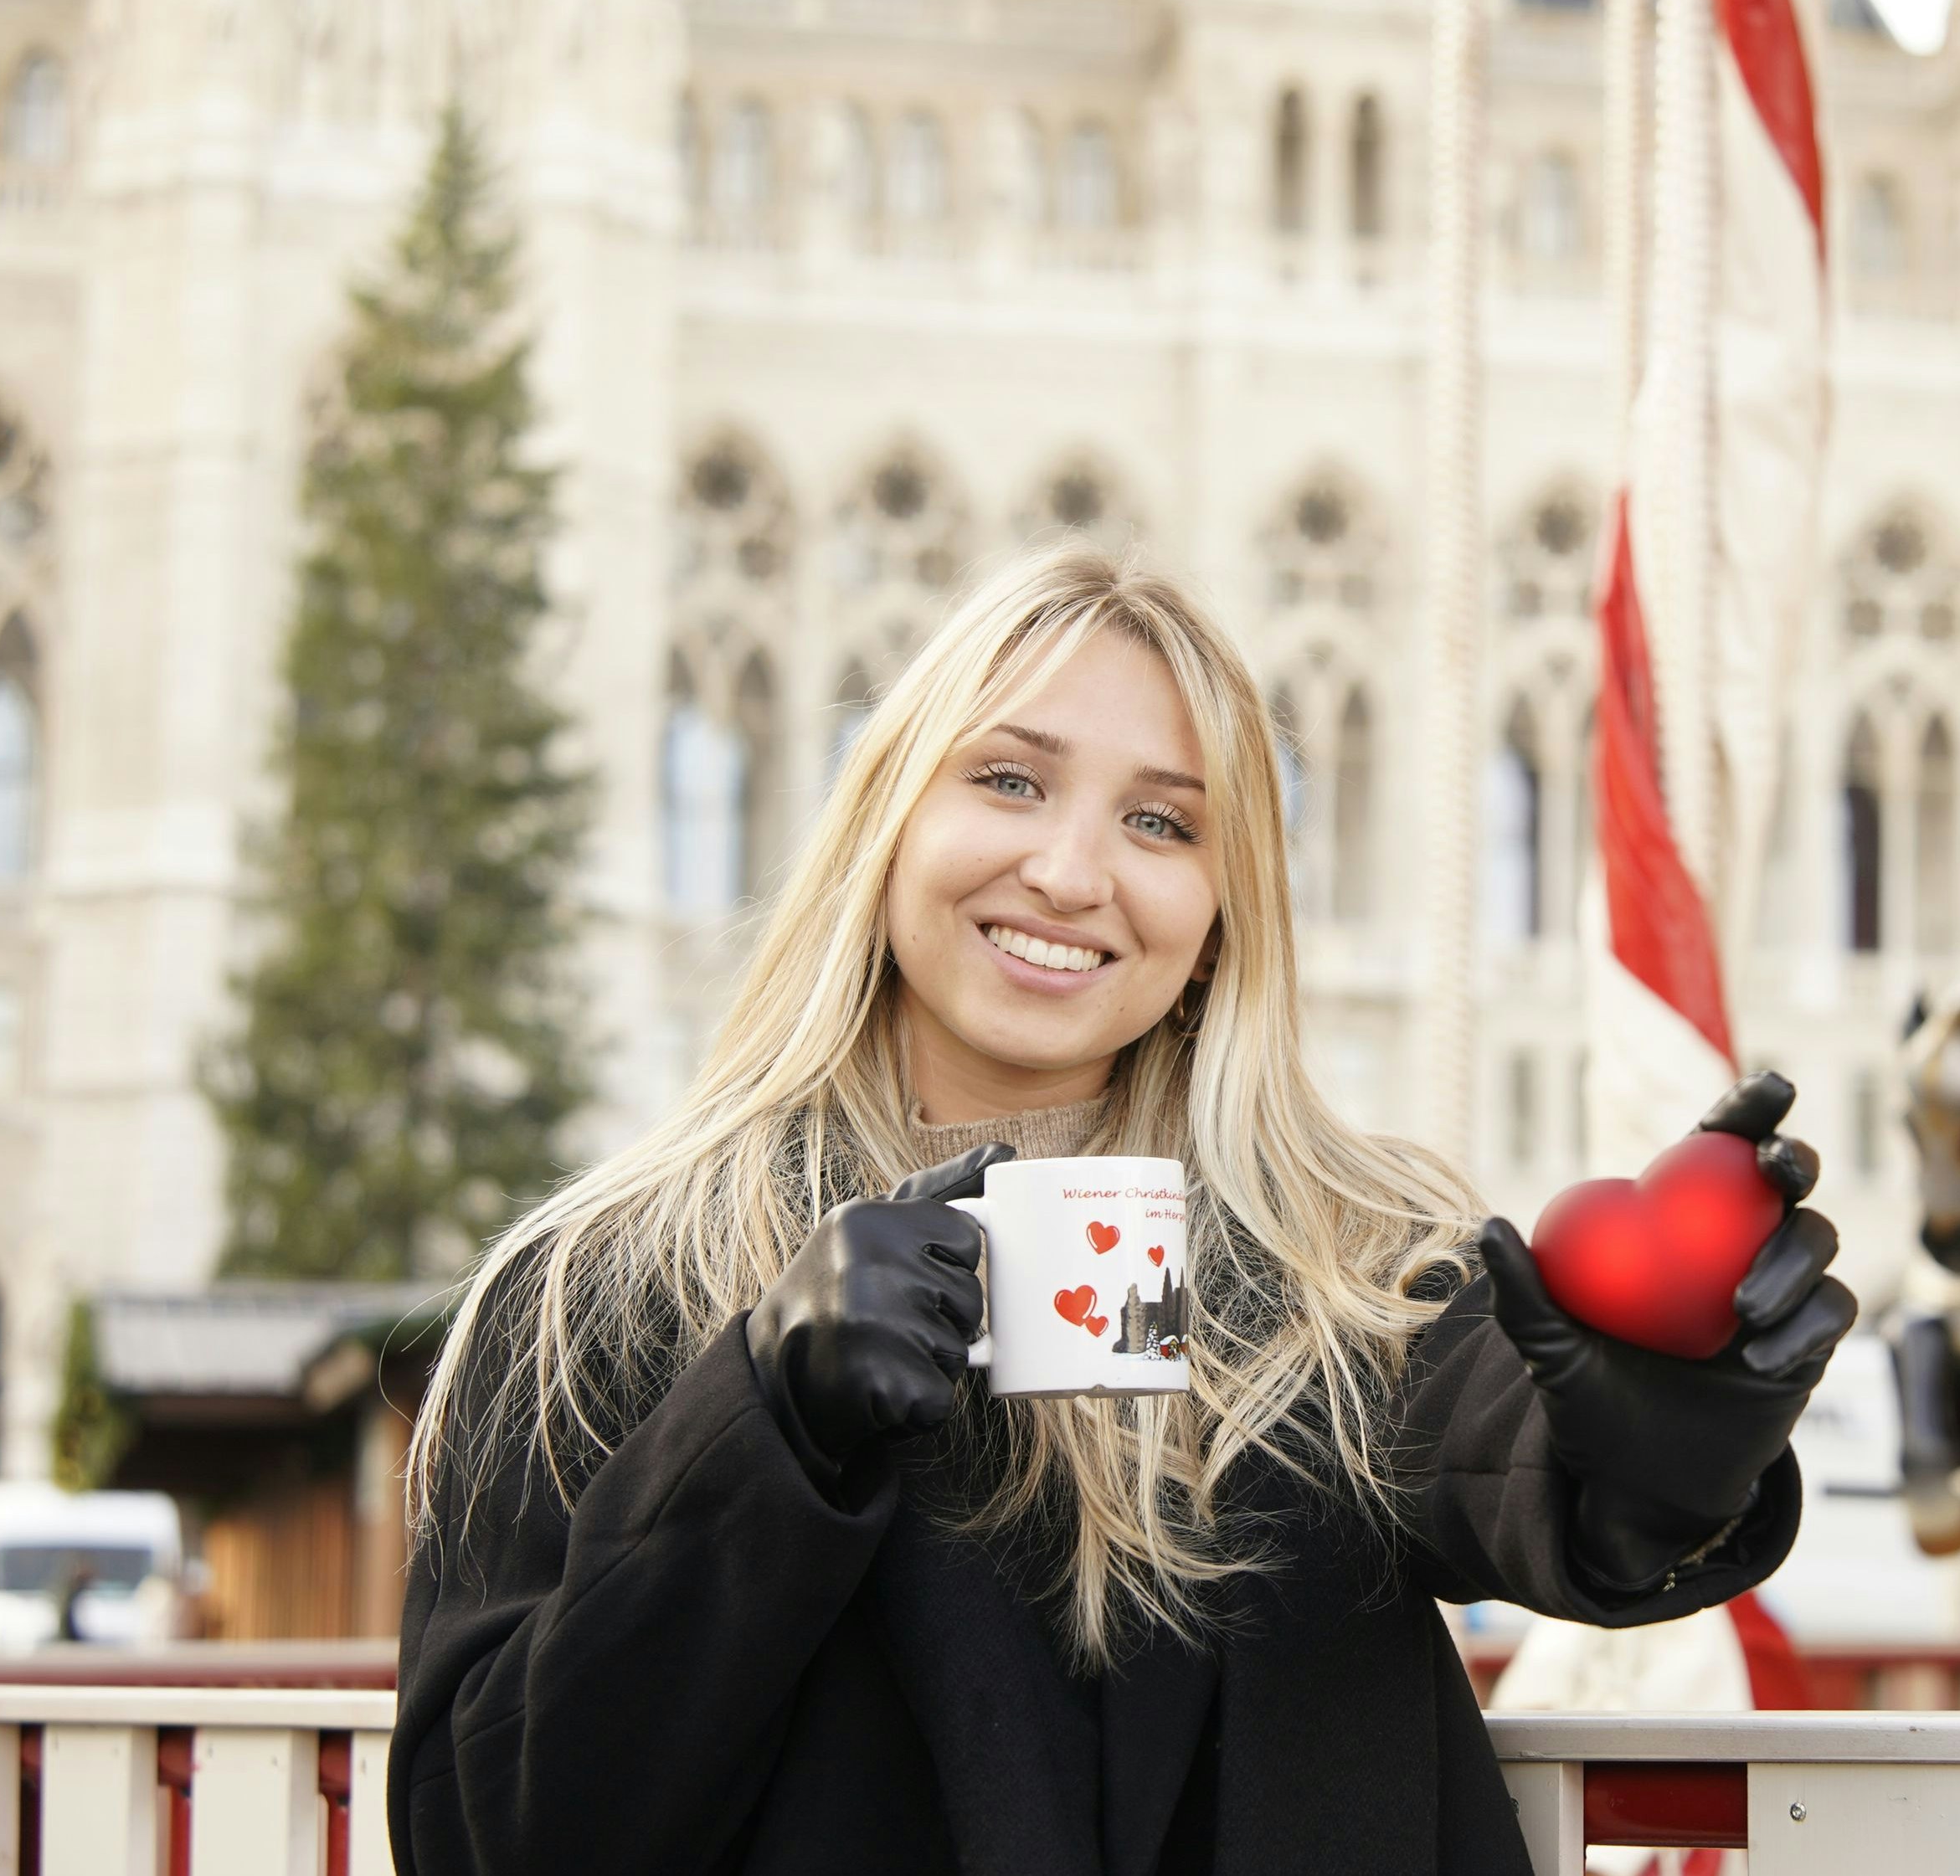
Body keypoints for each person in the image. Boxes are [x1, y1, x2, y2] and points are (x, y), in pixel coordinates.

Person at [393, 542, 1855, 1875]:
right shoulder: (605, 1284)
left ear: (1225, 916)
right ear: (885, 818)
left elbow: (1512, 1455)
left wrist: (1664, 1444)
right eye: (1011, 781)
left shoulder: (1347, 1261)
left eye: (1163, 822)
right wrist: (765, 1428)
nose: (1074, 873)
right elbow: (490, 1834)